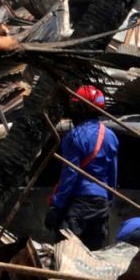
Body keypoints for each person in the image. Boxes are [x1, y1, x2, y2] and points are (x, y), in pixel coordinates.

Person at [46, 84, 118, 249]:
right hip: (101, 204)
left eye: (76, 107)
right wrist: (108, 202)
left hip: (79, 205)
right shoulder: (111, 136)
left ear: (83, 109)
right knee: (94, 255)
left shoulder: (75, 136)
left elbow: (69, 174)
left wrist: (56, 206)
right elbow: (113, 174)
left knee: (66, 252)